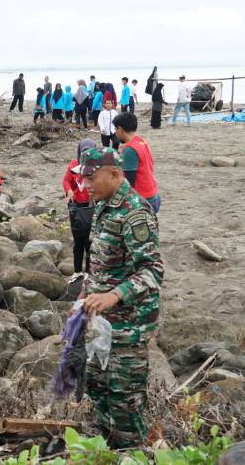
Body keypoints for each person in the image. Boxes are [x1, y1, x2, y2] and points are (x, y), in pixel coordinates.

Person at [78, 147, 163, 449]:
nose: (86, 184)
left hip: (130, 326)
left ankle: (129, 451)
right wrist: (83, 299)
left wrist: (114, 295)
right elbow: (100, 262)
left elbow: (152, 271)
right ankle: (104, 448)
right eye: (83, 178)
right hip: (102, 322)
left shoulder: (136, 212)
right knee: (97, 387)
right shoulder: (103, 204)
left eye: (91, 177)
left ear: (114, 174)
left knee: (124, 401)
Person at [113, 113, 161, 213]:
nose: (115, 133)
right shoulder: (141, 141)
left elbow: (129, 180)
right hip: (153, 194)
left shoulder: (130, 149)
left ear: (120, 129)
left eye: (115, 129)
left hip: (143, 199)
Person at [63, 139, 96, 273]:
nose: (86, 156)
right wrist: (69, 190)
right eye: (84, 153)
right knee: (78, 243)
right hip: (76, 207)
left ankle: (88, 272)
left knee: (90, 243)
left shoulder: (97, 166)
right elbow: (66, 181)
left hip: (91, 207)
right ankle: (77, 271)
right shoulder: (74, 165)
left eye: (89, 152)